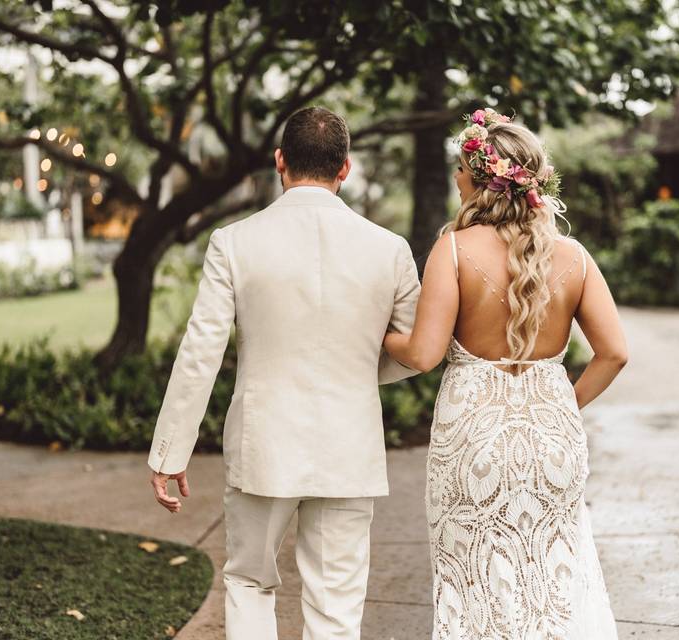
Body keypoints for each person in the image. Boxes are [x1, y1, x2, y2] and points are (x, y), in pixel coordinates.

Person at [146, 106, 422, 640]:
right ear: (345, 168)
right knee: (338, 602)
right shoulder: (390, 250)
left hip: (263, 443)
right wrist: (362, 372)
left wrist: (170, 451)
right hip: (349, 443)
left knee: (249, 581)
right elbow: (414, 350)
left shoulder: (234, 242)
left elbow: (201, 349)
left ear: (279, 161)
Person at [383, 108, 628, 639]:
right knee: (555, 581)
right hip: (552, 438)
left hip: (472, 439)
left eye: (460, 170)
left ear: (474, 179)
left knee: (474, 583)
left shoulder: (452, 249)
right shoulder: (575, 257)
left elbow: (422, 354)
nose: (455, 178)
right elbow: (614, 353)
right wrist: (562, 401)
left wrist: (376, 332)